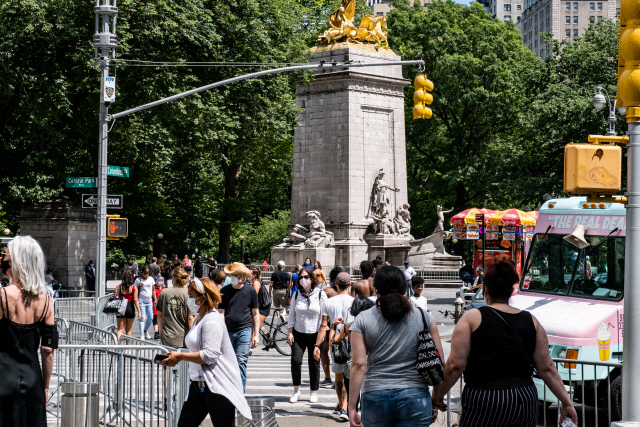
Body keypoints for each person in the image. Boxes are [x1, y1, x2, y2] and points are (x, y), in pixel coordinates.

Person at [432, 260, 578, 427]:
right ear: (511, 291)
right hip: (523, 398)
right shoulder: (532, 321)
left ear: (485, 290)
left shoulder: (472, 318)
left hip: (484, 398)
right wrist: (567, 403)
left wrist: (438, 396)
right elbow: (547, 368)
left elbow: (455, 364)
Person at [348, 265, 445, 427]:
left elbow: (358, 364)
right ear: (405, 287)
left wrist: (351, 407)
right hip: (415, 395)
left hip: (375, 394)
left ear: (375, 289)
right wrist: (436, 400)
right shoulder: (423, 316)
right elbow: (440, 362)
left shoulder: (362, 319)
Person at [161, 277, 252, 427]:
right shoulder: (199, 319)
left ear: (202, 298)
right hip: (199, 386)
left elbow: (209, 355)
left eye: (191, 296)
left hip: (217, 385)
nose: (188, 299)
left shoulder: (212, 321)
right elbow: (198, 348)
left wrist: (181, 356)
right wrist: (177, 354)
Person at [0, 236, 57, 427]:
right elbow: (48, 350)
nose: (3, 260)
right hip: (33, 380)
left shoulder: (2, 297)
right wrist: (46, 385)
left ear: (16, 262)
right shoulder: (47, 301)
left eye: (6, 256)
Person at [314, 272, 353, 420]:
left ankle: (342, 406)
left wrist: (317, 345)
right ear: (350, 285)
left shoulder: (328, 303)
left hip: (334, 342)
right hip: (351, 342)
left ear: (335, 284)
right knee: (350, 376)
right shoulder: (355, 302)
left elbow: (324, 325)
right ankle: (348, 406)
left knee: (338, 375)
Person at [287, 268, 328, 404]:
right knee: (296, 360)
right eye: (300, 277)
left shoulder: (321, 294)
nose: (303, 279)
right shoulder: (296, 295)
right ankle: (296, 390)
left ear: (311, 279)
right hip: (299, 332)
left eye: (306, 277)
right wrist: (290, 332)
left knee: (314, 363)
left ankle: (313, 391)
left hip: (315, 333)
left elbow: (324, 317)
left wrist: (322, 335)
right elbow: (292, 315)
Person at [218, 263, 260, 392]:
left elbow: (255, 313)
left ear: (244, 276)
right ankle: (229, 390)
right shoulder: (224, 291)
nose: (236, 277)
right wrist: (221, 331)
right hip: (228, 330)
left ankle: (240, 392)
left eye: (238, 275)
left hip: (245, 329)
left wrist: (256, 334)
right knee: (228, 362)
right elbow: (221, 313)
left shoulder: (250, 290)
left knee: (241, 360)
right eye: (233, 275)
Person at [332, 296, 376, 413]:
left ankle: (352, 416)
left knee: (352, 395)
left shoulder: (349, 326)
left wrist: (333, 326)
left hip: (351, 364)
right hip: (369, 363)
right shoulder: (373, 325)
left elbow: (335, 340)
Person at [157, 267, 196, 348]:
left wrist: (160, 333)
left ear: (173, 278)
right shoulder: (189, 294)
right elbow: (191, 318)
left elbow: (160, 315)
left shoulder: (164, 292)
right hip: (183, 338)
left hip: (167, 338)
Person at [114, 269, 141, 341]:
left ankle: (118, 347)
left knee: (120, 330)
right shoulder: (133, 288)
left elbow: (115, 297)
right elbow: (135, 300)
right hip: (130, 307)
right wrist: (139, 312)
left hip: (120, 308)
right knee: (128, 330)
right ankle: (127, 348)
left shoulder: (118, 287)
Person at [135, 266, 156, 340]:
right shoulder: (138, 280)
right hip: (141, 301)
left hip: (149, 301)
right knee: (142, 318)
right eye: (145, 273)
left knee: (150, 318)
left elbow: (153, 290)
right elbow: (135, 290)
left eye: (148, 273)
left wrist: (155, 299)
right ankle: (142, 335)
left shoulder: (151, 279)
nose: (146, 274)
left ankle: (145, 330)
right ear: (142, 272)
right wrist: (139, 287)